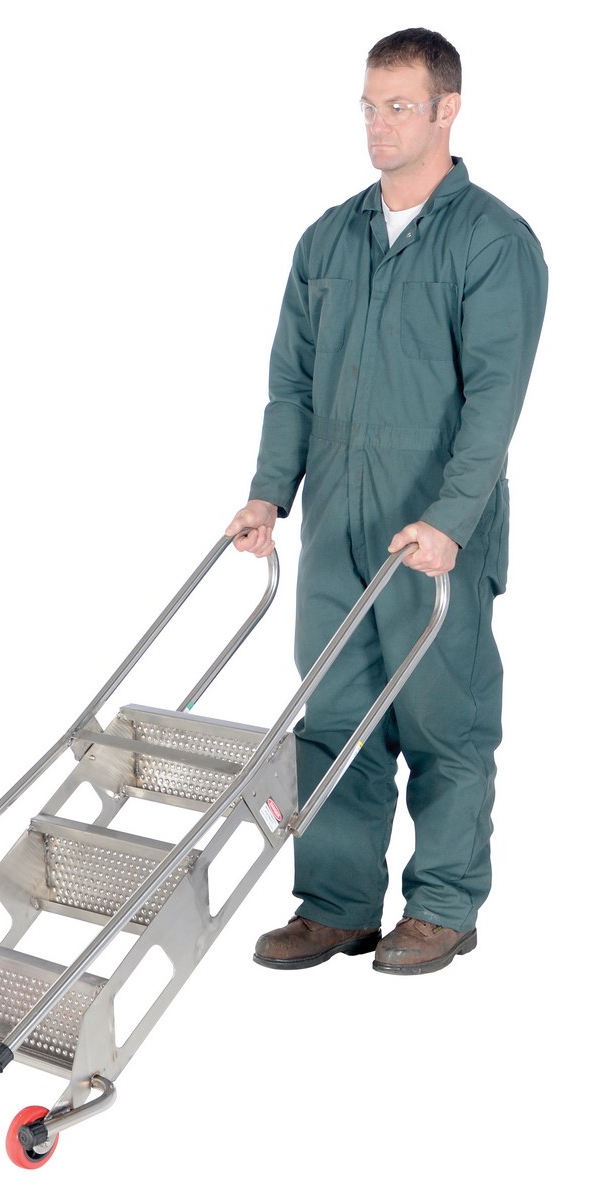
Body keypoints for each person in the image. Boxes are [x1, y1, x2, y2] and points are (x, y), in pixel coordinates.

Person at [226, 28, 547, 975]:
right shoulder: (328, 238)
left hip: (433, 524)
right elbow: (291, 385)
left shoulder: (491, 241)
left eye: (399, 106)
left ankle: (442, 906)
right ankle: (336, 907)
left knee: (443, 718)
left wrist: (450, 521)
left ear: (447, 110)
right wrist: (267, 495)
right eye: (368, 105)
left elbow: (494, 402)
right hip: (336, 520)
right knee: (331, 715)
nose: (378, 124)